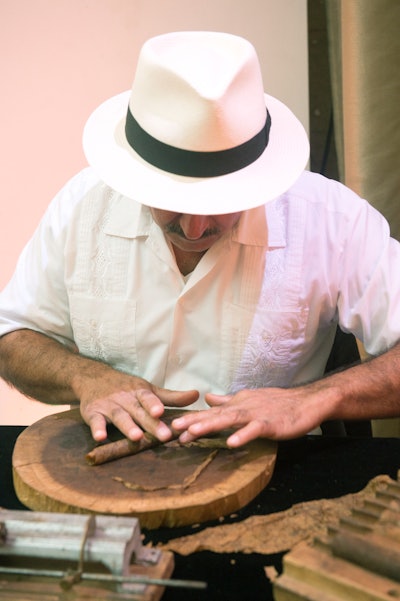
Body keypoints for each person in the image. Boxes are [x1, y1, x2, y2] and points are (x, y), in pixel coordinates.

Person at [0, 31, 399, 449]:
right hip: (105, 473)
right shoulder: (81, 206)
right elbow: (12, 338)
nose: (194, 229)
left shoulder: (329, 219)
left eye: (222, 202)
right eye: (171, 201)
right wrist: (85, 377)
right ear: (135, 174)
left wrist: (313, 398)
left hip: (277, 476)